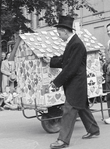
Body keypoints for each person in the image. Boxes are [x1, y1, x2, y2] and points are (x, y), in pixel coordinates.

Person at [43, 15, 100, 149]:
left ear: (64, 31)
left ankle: (63, 140)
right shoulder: (73, 43)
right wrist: (50, 61)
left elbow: (70, 67)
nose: (58, 36)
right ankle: (94, 130)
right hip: (77, 83)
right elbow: (65, 60)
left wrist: (56, 82)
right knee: (82, 107)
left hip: (76, 84)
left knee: (69, 109)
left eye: (59, 33)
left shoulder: (76, 44)